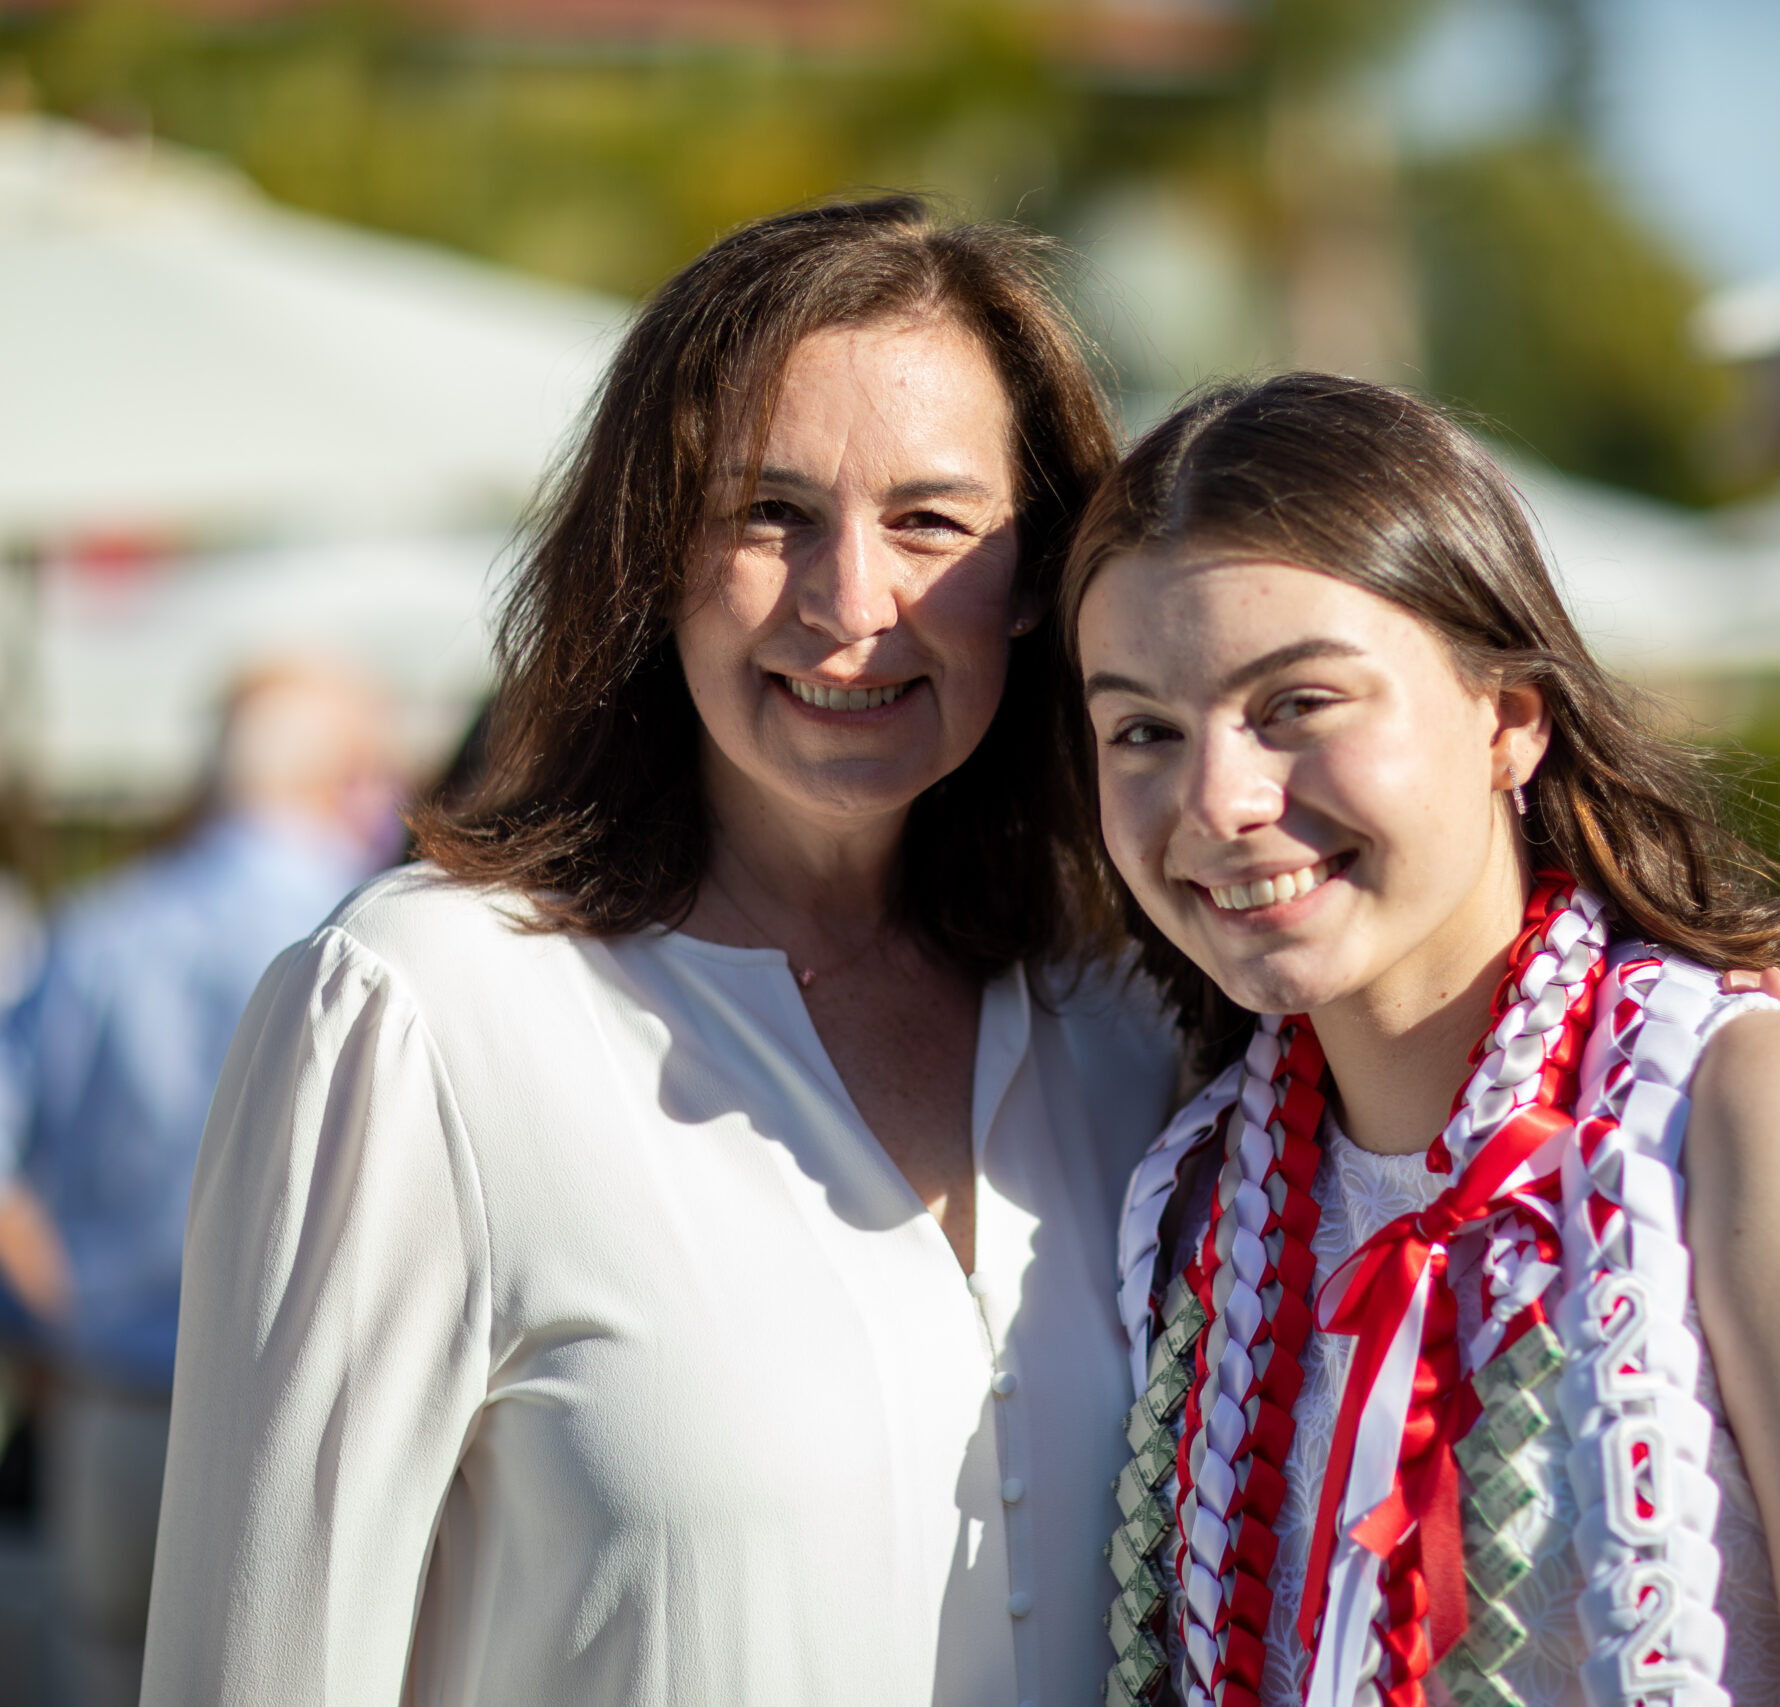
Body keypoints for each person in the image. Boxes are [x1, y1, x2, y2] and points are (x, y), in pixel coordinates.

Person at [143, 198, 1181, 1707]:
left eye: (931, 519)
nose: (849, 601)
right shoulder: (423, 1014)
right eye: (768, 511)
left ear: (1037, 580)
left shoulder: (1122, 1017)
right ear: (650, 554)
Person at [1066, 374, 1780, 1707]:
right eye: (1143, 729)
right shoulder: (1197, 1194)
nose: (1219, 799)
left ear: (1511, 715)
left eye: (1297, 704)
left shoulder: (1751, 1118)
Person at [0, 659, 404, 1707]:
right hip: (320, 1434)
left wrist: (3, 1331)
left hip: (114, 1411)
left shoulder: (100, 932)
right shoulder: (382, 934)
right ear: (346, 780)